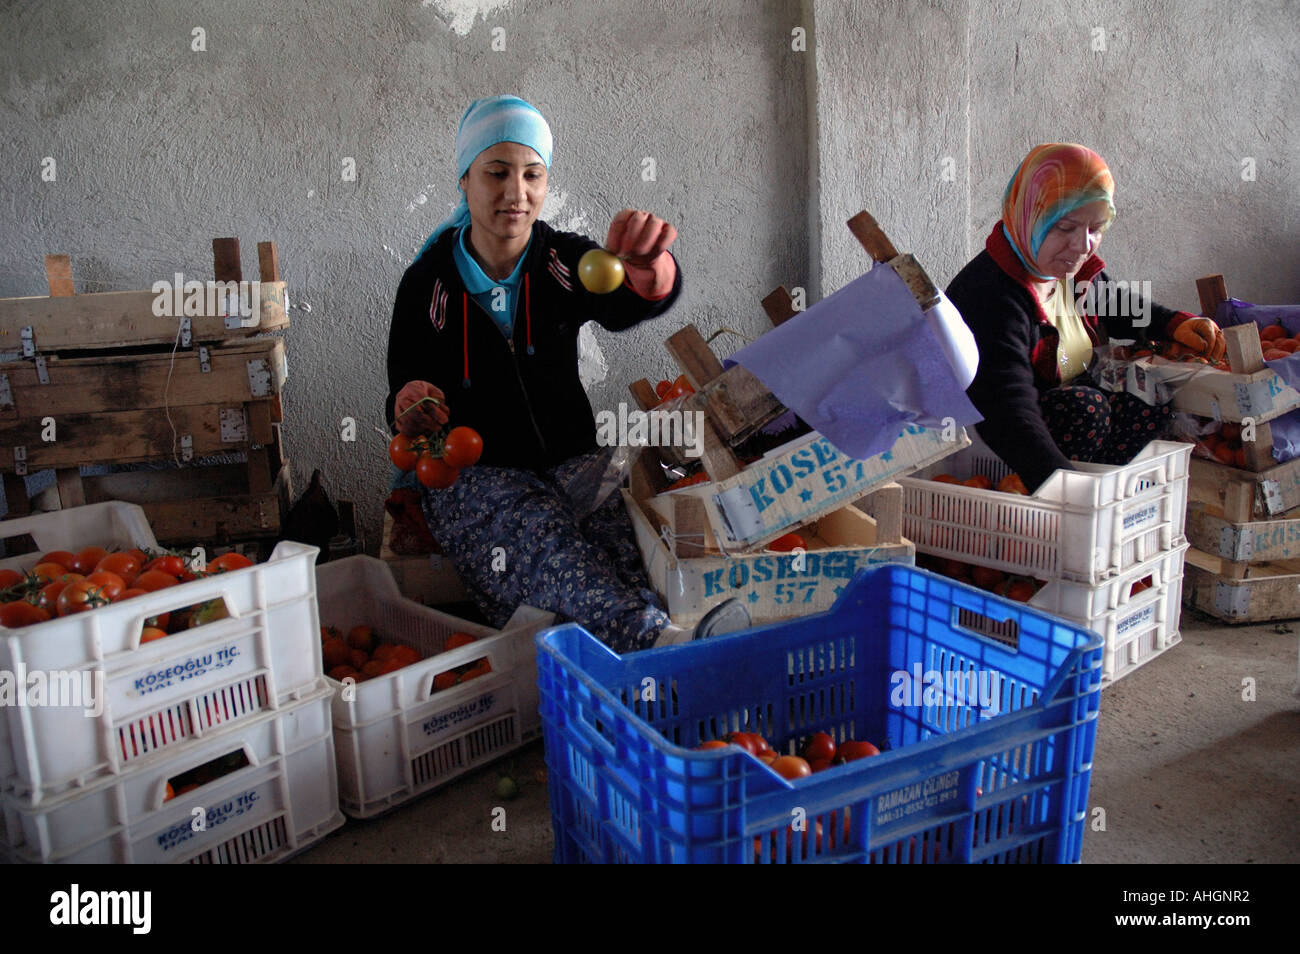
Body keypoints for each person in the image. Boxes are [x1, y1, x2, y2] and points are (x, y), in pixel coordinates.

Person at [385, 95, 748, 652]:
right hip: (481, 478)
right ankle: (661, 644)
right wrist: (411, 400)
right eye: (497, 172)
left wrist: (654, 275)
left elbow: (629, 302)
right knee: (547, 546)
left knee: (623, 552)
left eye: (533, 174)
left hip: (575, 461)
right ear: (464, 179)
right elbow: (401, 388)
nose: (516, 192)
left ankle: (652, 655)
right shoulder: (427, 285)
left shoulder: (562, 260)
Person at [947, 142, 1224, 492]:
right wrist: (1066, 491)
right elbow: (1006, 410)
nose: (1082, 245)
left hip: (1060, 429)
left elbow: (1116, 303)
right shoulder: (991, 295)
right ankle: (1048, 496)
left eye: (1096, 228)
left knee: (1148, 395)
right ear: (1030, 214)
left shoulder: (1065, 272)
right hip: (998, 447)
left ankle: (1108, 493)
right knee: (1086, 408)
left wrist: (1174, 323)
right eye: (1065, 227)